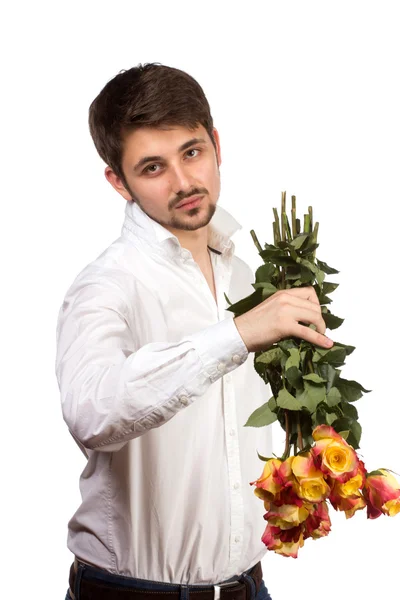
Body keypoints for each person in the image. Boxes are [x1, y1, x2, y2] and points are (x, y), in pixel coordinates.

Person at [55, 62, 333, 600]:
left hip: (249, 589)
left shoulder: (246, 275)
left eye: (192, 151)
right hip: (130, 593)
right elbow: (91, 410)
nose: (184, 182)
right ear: (119, 182)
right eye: (153, 167)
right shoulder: (105, 285)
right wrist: (236, 336)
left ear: (216, 144)